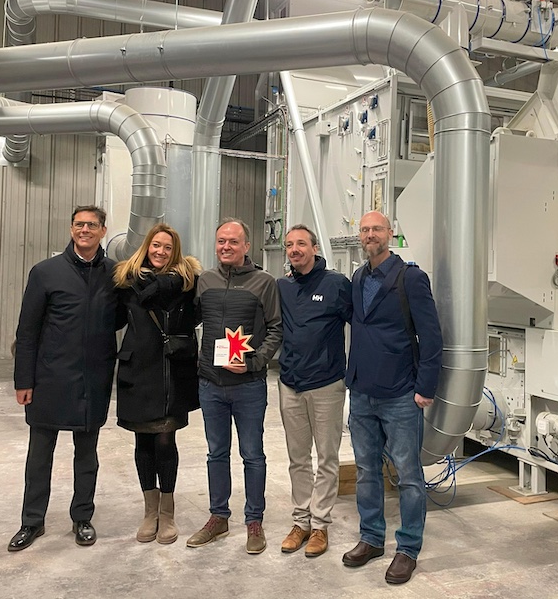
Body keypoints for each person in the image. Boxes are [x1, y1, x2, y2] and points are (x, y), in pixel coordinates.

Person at [9, 205, 123, 551]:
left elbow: (117, 319)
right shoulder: (46, 272)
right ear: (72, 229)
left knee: (86, 454)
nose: (84, 230)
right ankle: (32, 521)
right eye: (79, 224)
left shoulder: (114, 274)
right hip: (49, 379)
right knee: (40, 455)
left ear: (103, 231)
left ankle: (82, 516)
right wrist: (23, 381)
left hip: (93, 379)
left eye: (91, 225)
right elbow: (27, 331)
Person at [341, 210, 443, 584]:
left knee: (409, 475)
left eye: (377, 229)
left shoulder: (411, 278)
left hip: (401, 394)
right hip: (363, 391)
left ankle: (408, 547)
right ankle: (371, 537)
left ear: (390, 234)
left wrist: (425, 389)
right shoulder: (358, 277)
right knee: (367, 471)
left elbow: (431, 338)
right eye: (365, 230)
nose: (370, 235)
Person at [187, 217, 282, 555]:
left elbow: (276, 329)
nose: (226, 246)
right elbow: (190, 320)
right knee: (216, 453)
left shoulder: (264, 282)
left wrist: (255, 362)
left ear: (246, 246)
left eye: (233, 241)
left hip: (249, 387)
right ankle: (218, 516)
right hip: (211, 385)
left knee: (252, 454)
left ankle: (253, 520)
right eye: (221, 241)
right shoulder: (205, 282)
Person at [113, 224, 202, 545]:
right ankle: (149, 511)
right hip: (138, 370)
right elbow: (109, 319)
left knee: (165, 440)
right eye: (156, 245)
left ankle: (167, 512)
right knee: (143, 442)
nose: (161, 251)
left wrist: (174, 281)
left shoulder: (187, 282)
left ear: (174, 252)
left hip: (172, 370)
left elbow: (199, 315)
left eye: (167, 247)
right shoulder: (127, 281)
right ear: (146, 247)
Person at [276, 224, 352, 558]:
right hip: (290, 384)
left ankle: (320, 525)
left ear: (315, 248)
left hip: (327, 385)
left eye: (301, 244)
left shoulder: (336, 285)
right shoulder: (283, 286)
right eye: (289, 245)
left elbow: (362, 327)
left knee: (327, 458)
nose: (295, 249)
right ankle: (301, 522)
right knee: (297, 459)